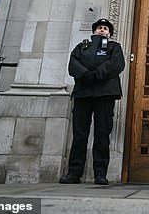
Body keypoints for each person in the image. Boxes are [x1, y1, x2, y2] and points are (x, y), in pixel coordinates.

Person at [59, 18, 125, 185]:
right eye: (99, 28)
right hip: (83, 94)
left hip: (105, 94)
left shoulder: (114, 47)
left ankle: (100, 174)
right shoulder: (82, 47)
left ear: (109, 33)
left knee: (102, 134)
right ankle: (74, 173)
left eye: (105, 28)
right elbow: (73, 62)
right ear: (94, 31)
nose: (102, 30)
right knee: (80, 135)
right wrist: (85, 74)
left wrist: (97, 74)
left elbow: (116, 65)